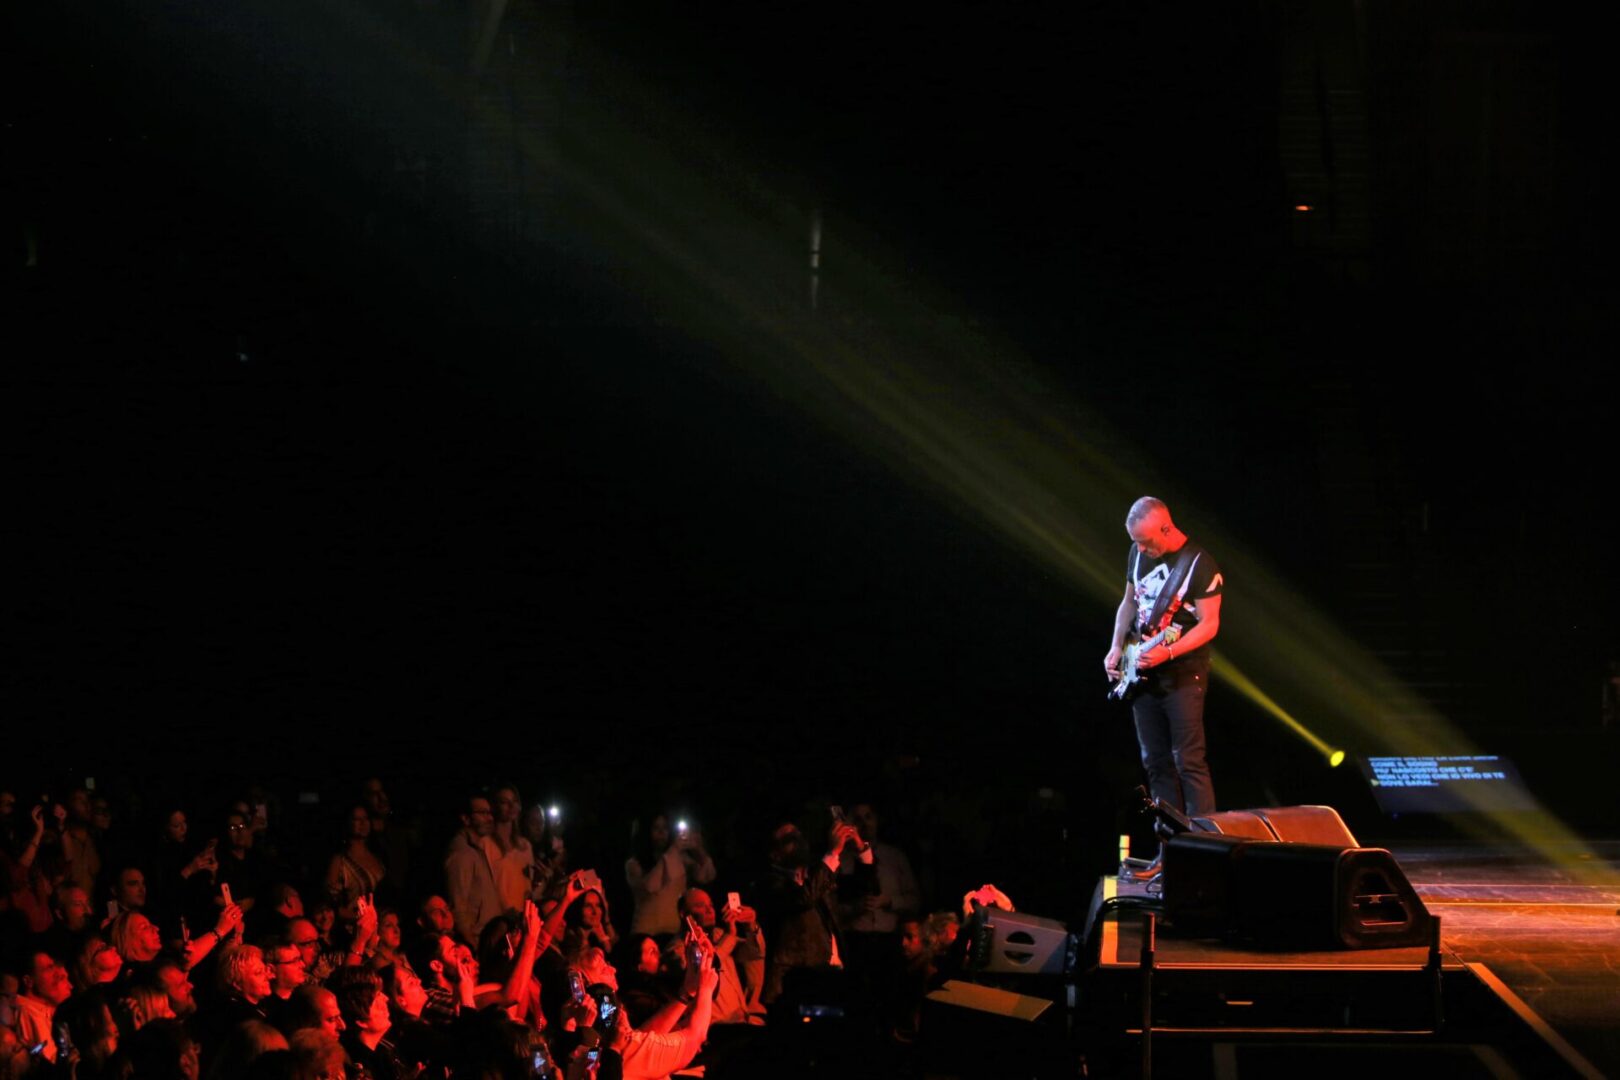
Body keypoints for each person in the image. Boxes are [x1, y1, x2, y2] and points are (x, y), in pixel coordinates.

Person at [1104, 496, 1225, 835]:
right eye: (1136, 544)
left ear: (1166, 528)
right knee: (1155, 764)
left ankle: (1205, 846)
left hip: (1184, 673)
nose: (1140, 550)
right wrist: (1116, 647)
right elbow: (1129, 602)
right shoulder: (1137, 553)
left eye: (1146, 542)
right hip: (1143, 671)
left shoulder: (1200, 564)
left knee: (1188, 761)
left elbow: (1209, 624)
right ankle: (1169, 851)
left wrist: (1168, 654)